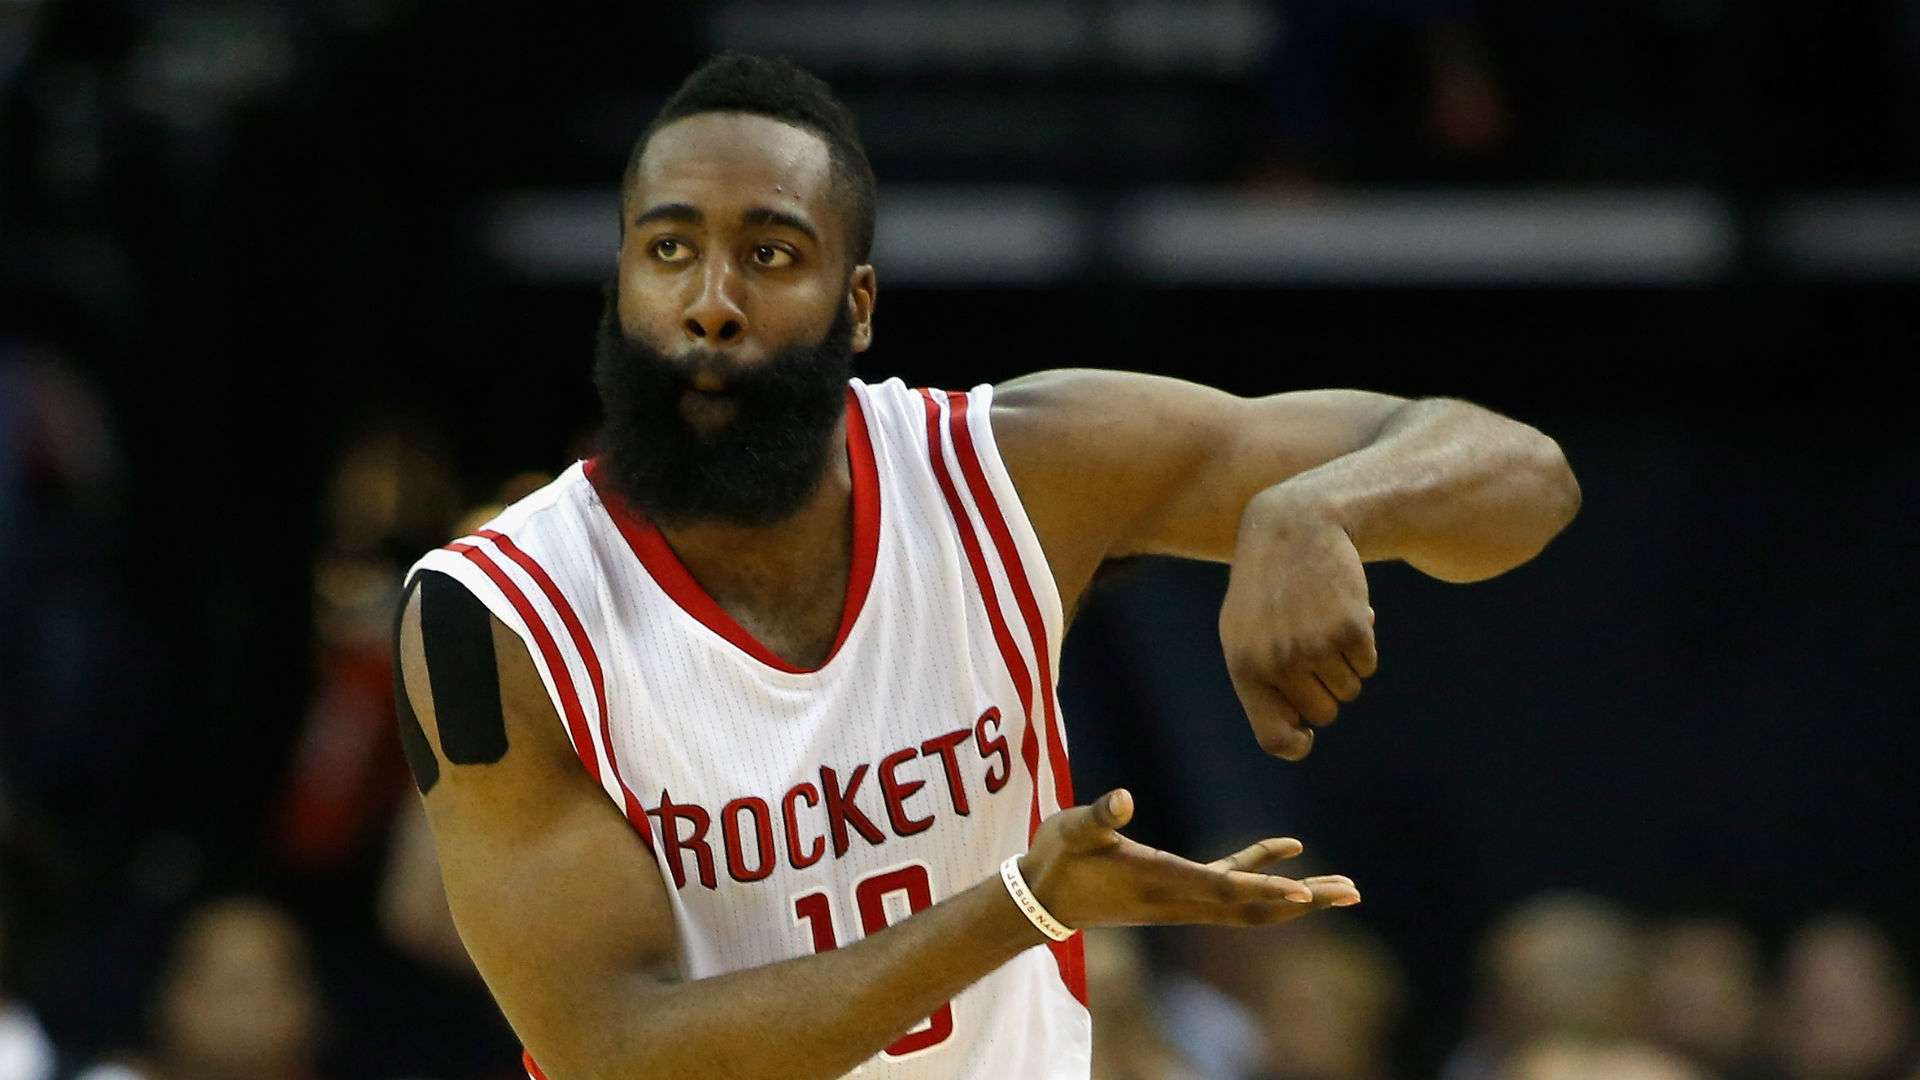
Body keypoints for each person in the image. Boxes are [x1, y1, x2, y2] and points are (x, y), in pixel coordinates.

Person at [392, 53, 1580, 1080]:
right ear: (619, 285)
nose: (712, 303)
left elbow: (1522, 474)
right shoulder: (496, 615)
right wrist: (1021, 906)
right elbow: (617, 1053)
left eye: (770, 253)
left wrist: (1319, 508)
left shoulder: (1012, 470)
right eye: (669, 250)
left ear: (857, 304)